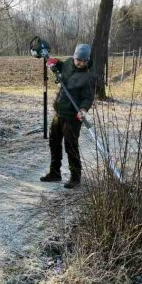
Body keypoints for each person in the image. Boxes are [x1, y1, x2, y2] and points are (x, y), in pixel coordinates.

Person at [39, 43, 96, 189]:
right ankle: (54, 173)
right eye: (78, 60)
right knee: (54, 142)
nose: (80, 63)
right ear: (74, 57)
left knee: (70, 146)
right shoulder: (70, 63)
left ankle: (75, 177)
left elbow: (88, 97)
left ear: (88, 59)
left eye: (84, 61)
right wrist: (55, 63)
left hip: (73, 116)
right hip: (60, 112)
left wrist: (83, 109)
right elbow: (62, 67)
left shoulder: (89, 76)